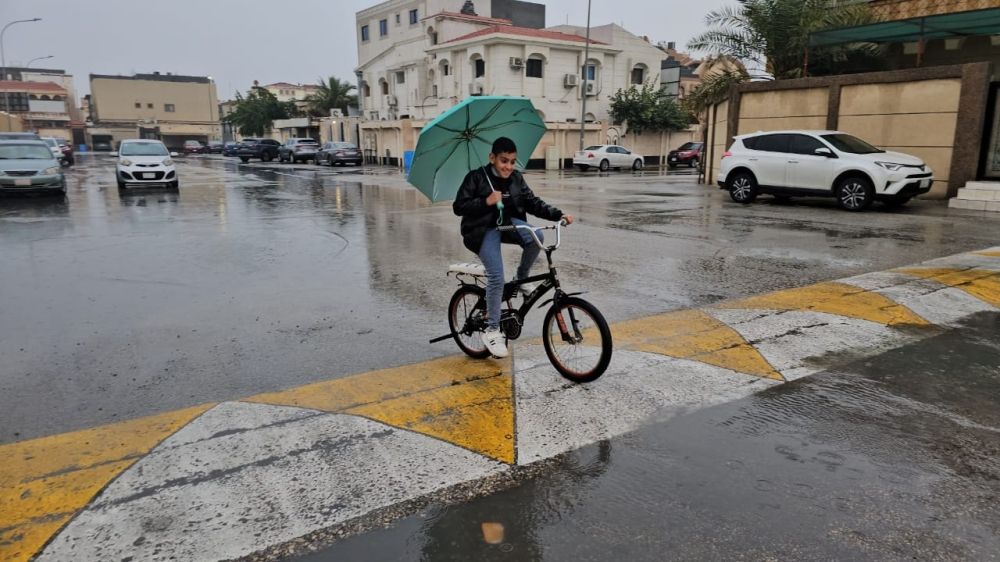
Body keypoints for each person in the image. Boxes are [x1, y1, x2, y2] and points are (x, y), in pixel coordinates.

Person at [453, 137, 575, 358]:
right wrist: (486, 202)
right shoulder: (477, 177)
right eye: (503, 161)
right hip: (482, 230)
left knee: (535, 235)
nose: (508, 166)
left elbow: (532, 202)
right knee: (497, 277)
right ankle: (491, 330)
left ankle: (521, 279)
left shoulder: (516, 178)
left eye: (512, 161)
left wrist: (559, 214)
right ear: (492, 158)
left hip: (507, 224)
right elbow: (459, 206)